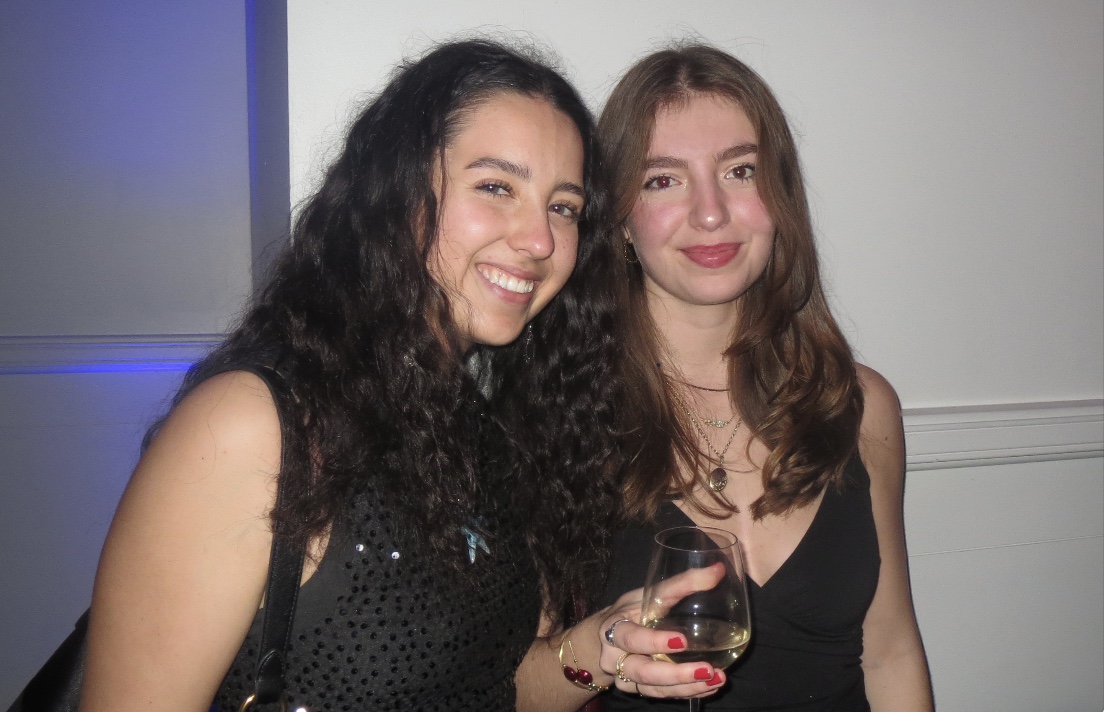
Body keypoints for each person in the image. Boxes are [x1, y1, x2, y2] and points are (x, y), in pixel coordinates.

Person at [77, 38, 682, 711]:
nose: (540, 239)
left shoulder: (481, 433)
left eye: (563, 207)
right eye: (496, 187)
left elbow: (490, 688)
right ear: (397, 190)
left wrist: (601, 646)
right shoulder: (251, 426)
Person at [590, 45, 935, 711]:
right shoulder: (563, 415)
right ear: (620, 219)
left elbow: (890, 651)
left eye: (739, 171)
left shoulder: (860, 406)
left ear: (779, 197)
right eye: (663, 180)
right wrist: (595, 647)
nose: (711, 212)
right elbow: (513, 684)